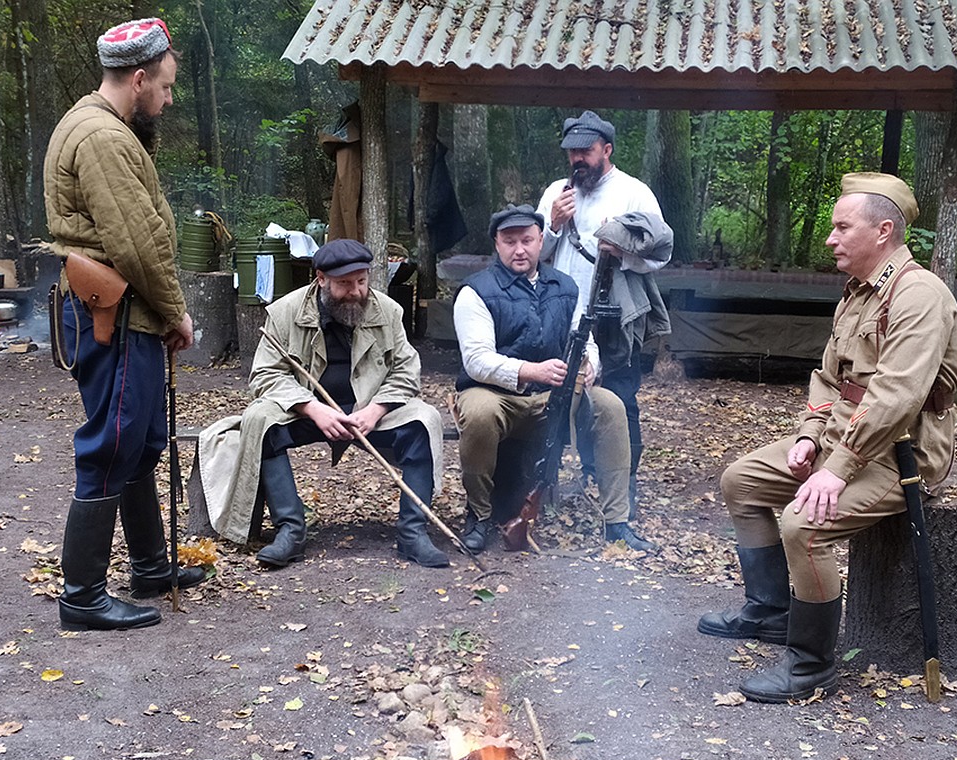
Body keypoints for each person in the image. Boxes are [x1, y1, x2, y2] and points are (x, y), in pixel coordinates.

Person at [699, 173, 957, 703]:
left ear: (884, 230)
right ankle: (773, 610)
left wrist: (834, 469)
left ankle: (811, 663)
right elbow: (828, 379)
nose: (830, 238)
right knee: (742, 481)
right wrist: (808, 438)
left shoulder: (919, 295)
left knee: (805, 523)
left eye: (842, 227)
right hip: (844, 436)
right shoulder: (857, 293)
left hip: (902, 452)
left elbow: (895, 398)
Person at [43, 17, 208, 631]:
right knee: (112, 443)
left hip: (126, 312)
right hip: (114, 311)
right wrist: (177, 312)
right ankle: (82, 596)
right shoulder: (101, 137)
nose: (166, 101)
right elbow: (137, 245)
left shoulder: (105, 126)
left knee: (138, 443)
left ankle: (148, 567)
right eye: (163, 89)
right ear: (138, 79)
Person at [197, 239, 449, 569]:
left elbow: (406, 369)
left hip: (368, 409)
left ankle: (412, 534)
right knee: (261, 418)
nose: (356, 291)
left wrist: (375, 410)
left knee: (424, 419)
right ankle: (291, 530)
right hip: (307, 411)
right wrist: (312, 408)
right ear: (320, 279)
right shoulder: (285, 312)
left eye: (362, 280)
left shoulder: (387, 311)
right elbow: (264, 375)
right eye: (345, 284)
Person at [453, 204, 656, 554]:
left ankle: (617, 523)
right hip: (496, 393)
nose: (520, 249)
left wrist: (590, 364)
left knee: (611, 407)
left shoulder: (564, 286)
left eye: (527, 240)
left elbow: (584, 337)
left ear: (540, 240)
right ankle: (479, 517)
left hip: (555, 394)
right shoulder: (475, 291)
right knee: (480, 412)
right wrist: (532, 370)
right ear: (496, 244)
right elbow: (477, 361)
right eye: (510, 241)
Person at [537, 111, 671, 515]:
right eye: (573, 152)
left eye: (587, 151)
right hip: (560, 317)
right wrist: (554, 225)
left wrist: (624, 252)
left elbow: (660, 254)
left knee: (619, 403)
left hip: (613, 318)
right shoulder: (555, 193)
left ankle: (620, 498)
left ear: (607, 150)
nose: (579, 159)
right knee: (555, 403)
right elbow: (532, 255)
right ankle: (547, 489)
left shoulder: (635, 192)